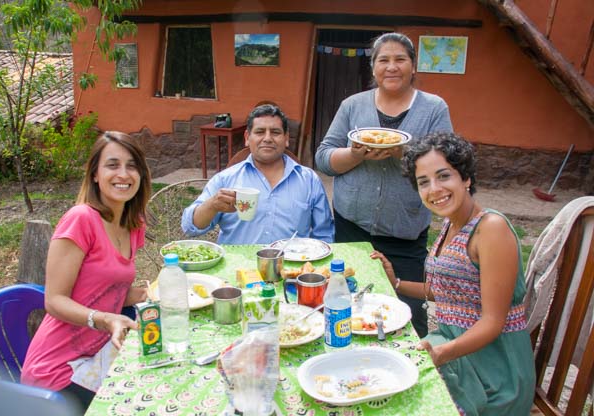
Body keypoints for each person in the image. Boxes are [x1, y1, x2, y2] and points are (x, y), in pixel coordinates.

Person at [372, 132, 535, 415]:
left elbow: (493, 322)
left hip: (494, 371)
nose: (434, 189)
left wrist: (442, 354)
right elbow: (454, 293)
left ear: (466, 178)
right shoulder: (451, 224)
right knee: (381, 377)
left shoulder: (491, 229)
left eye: (444, 176)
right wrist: (396, 282)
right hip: (455, 347)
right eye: (423, 182)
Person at [315, 32, 453, 337]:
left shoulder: (433, 108)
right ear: (373, 67)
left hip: (404, 233)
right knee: (347, 307)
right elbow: (323, 158)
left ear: (413, 66)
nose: (392, 67)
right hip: (351, 228)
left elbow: (445, 166)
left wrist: (405, 151)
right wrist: (353, 154)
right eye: (383, 60)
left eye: (400, 59)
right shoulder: (353, 105)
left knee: (405, 315)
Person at [21, 131, 151, 413]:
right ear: (94, 174)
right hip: (57, 371)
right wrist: (105, 320)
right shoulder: (81, 220)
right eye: (113, 165)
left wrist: (151, 293)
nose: (124, 174)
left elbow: (107, 293)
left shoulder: (133, 223)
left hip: (99, 352)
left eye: (132, 166)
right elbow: (54, 300)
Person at [182, 104, 334, 244]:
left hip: (291, 269)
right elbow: (190, 227)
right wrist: (212, 205)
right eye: (260, 132)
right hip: (236, 269)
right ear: (247, 138)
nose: (267, 138)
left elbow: (325, 235)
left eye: (275, 132)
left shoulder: (309, 181)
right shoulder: (226, 179)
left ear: (286, 139)